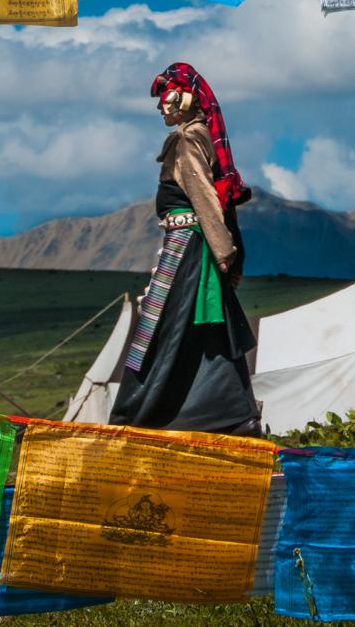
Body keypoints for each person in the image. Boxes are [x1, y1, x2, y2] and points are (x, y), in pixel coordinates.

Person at [108, 62, 262, 436]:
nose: (161, 106)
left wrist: (223, 252)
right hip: (194, 247)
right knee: (199, 329)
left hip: (186, 249)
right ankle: (230, 416)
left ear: (185, 99)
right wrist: (227, 249)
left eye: (166, 97)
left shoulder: (188, 139)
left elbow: (205, 198)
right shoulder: (197, 136)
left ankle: (136, 417)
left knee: (162, 327)